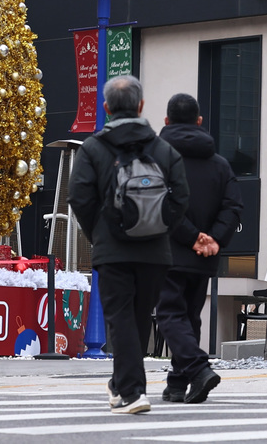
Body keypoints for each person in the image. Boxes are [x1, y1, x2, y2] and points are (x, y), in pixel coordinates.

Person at [69, 75, 190, 415]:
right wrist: (161, 228)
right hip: (156, 252)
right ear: (140, 107)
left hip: (113, 251)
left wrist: (101, 232)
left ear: (106, 108)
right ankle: (121, 383)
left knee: (120, 318)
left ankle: (133, 392)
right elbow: (181, 198)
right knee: (137, 319)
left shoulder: (94, 148)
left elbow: (79, 196)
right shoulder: (163, 149)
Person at [155, 93, 243, 404]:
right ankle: (177, 383)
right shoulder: (220, 164)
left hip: (167, 249)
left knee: (169, 314)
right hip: (204, 256)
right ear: (200, 122)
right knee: (189, 316)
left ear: (166, 121)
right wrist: (213, 239)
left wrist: (190, 236)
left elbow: (159, 203)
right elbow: (233, 205)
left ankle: (197, 369)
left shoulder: (156, 159)